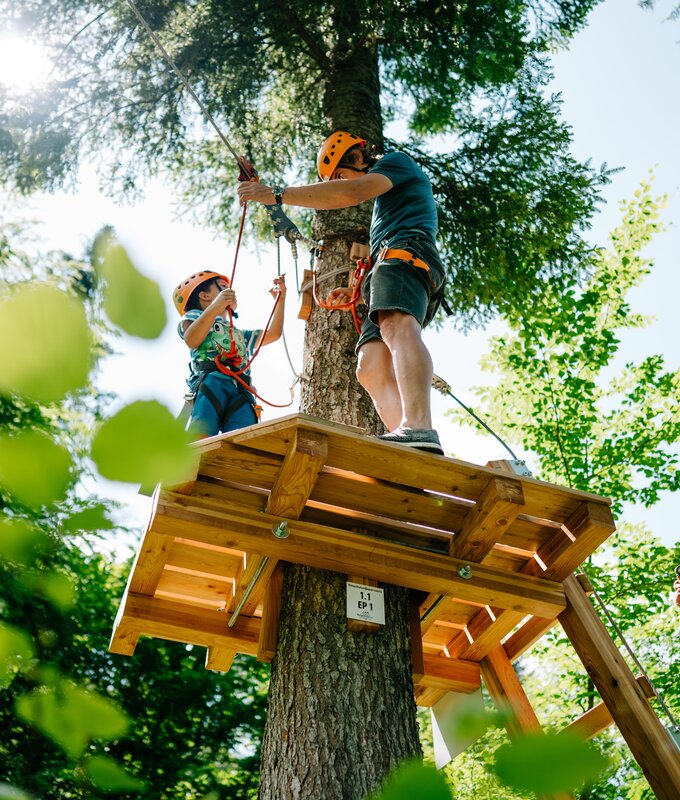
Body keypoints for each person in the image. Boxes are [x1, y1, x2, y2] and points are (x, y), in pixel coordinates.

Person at [237, 131, 446, 454]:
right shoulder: (387, 209)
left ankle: (419, 427)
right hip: (390, 265)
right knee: (370, 366)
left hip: (406, 252)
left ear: (356, 157)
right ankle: (411, 443)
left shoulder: (396, 163)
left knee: (396, 326)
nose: (338, 182)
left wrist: (276, 195)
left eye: (339, 175)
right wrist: (358, 292)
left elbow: (352, 192)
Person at [173, 270, 286, 438]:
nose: (231, 291)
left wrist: (280, 300)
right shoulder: (194, 318)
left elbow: (274, 334)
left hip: (241, 389)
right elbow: (192, 339)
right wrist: (216, 307)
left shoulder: (239, 335)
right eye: (224, 287)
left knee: (242, 437)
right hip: (212, 381)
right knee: (202, 432)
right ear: (204, 295)